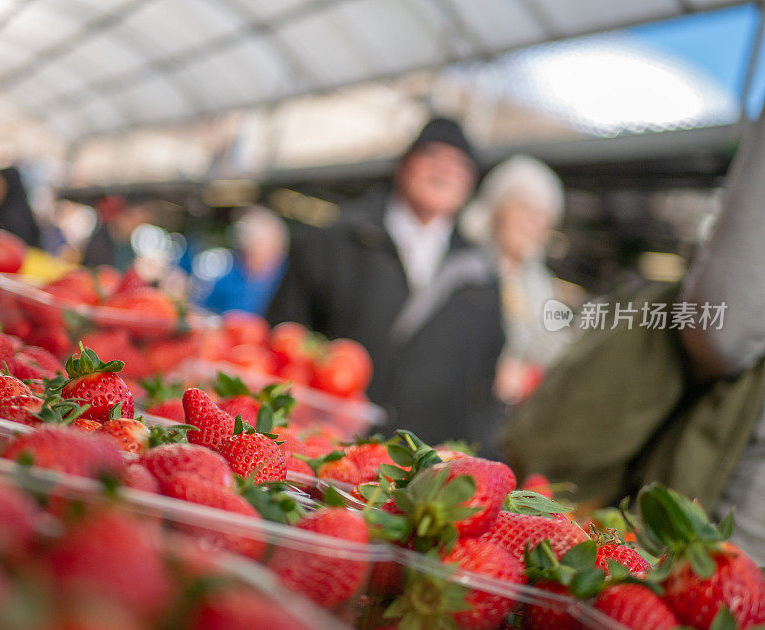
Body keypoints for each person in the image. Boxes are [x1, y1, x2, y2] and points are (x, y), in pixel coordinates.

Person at [504, 103, 765, 563]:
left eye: (538, 215)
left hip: (733, 507)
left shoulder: (637, 312)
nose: (533, 224)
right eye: (523, 212)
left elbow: (721, 327)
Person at [268, 117, 505, 449]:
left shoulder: (481, 274)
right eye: (432, 157)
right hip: (322, 446)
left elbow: (484, 383)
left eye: (460, 167)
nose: (445, 171)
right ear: (404, 165)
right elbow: (284, 335)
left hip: (417, 470)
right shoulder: (337, 240)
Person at [463, 155, 571, 404]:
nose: (532, 223)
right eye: (523, 208)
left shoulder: (541, 282)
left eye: (543, 215)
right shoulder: (466, 266)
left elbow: (556, 349)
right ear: (495, 208)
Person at [196, 206, 288, 315]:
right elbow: (204, 308)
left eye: (261, 244)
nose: (253, 253)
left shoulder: (286, 278)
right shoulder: (229, 274)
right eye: (250, 246)